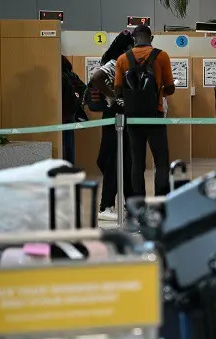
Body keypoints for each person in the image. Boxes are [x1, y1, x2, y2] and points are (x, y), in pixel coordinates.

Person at [114, 25, 175, 197]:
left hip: (133, 117)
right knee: (161, 162)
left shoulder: (122, 59)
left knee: (137, 162)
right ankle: (160, 202)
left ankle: (138, 204)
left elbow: (118, 91)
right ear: (151, 38)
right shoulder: (161, 56)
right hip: (155, 115)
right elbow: (170, 88)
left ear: (134, 39)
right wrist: (160, 89)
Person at [91, 30, 135, 221]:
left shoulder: (121, 62)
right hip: (115, 115)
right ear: (126, 47)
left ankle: (130, 203)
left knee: (126, 160)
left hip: (119, 115)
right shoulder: (115, 62)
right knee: (113, 160)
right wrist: (113, 97)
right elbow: (96, 78)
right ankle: (105, 205)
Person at [61, 56, 84, 165]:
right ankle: (70, 167)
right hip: (71, 113)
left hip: (61, 115)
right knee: (69, 144)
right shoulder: (72, 75)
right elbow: (84, 89)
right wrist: (78, 100)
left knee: (63, 144)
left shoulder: (60, 77)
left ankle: (65, 169)